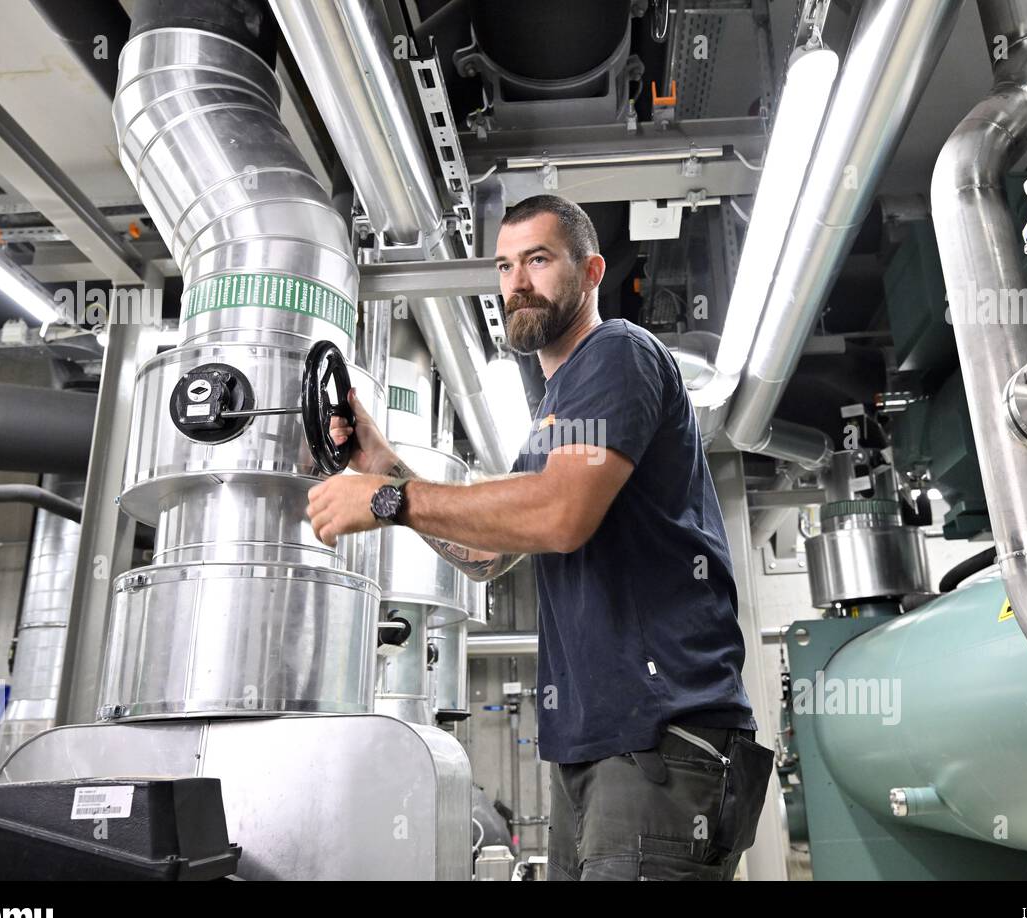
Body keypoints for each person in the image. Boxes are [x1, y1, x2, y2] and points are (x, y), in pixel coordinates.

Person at [306, 194, 772, 880]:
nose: (516, 282)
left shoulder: (616, 352)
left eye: (538, 259)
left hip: (660, 742)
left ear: (590, 272)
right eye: (503, 266)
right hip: (590, 752)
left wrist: (386, 500)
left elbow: (560, 516)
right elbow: (488, 554)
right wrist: (382, 462)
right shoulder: (554, 415)